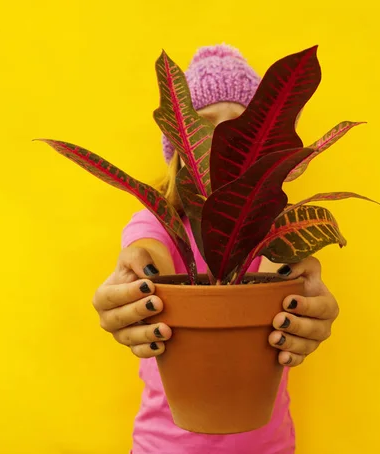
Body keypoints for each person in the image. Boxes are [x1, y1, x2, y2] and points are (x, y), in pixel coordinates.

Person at [92, 44, 340, 454]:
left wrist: (305, 287)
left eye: (238, 131)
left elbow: (293, 270)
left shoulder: (271, 230)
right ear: (181, 147)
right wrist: (134, 281)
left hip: (269, 444)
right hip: (164, 446)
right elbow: (144, 252)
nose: (222, 147)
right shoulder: (158, 223)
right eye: (205, 129)